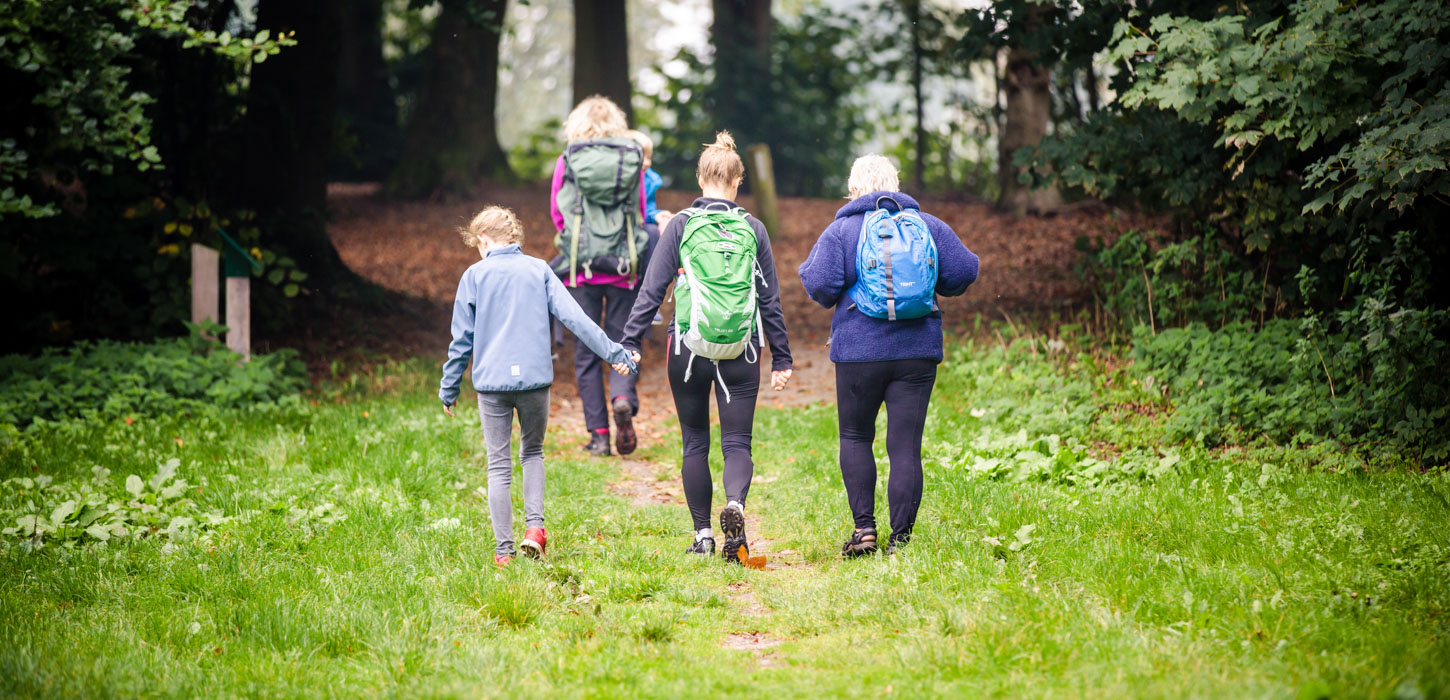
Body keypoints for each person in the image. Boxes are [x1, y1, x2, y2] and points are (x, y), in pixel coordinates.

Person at [620, 131, 793, 564]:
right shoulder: (754, 229)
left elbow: (652, 289)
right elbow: (769, 298)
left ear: (701, 179)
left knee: (694, 442)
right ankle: (735, 505)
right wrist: (782, 357)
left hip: (689, 348)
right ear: (738, 182)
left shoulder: (680, 225)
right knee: (738, 442)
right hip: (743, 349)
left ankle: (702, 536)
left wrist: (629, 341)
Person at [798, 155, 979, 557]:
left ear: (855, 189)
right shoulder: (929, 225)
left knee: (855, 436)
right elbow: (965, 271)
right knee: (905, 446)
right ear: (895, 186)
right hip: (917, 351)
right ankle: (901, 541)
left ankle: (864, 531)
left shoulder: (843, 229)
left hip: (859, 351)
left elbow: (820, 284)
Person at [440, 206, 636, 567]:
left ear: (483, 240)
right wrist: (613, 352)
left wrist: (449, 388)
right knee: (532, 453)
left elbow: (461, 340)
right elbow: (577, 319)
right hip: (533, 382)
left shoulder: (474, 276)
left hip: (492, 385)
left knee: (498, 466)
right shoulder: (539, 270)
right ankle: (535, 531)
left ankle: (504, 552)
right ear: (513, 237)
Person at [549, 96, 649, 457]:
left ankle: (600, 436)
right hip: (625, 265)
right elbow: (638, 211)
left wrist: (574, 245)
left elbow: (557, 214)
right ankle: (622, 397)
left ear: (577, 124)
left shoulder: (569, 159)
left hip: (581, 270)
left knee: (587, 354)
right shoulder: (631, 157)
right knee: (625, 340)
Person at [624, 129, 670, 327]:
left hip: (641, 227)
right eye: (644, 157)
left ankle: (651, 297)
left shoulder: (649, 179)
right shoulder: (621, 177)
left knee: (657, 233)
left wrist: (656, 215)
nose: (648, 162)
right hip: (622, 227)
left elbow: (648, 206)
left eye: (650, 157)